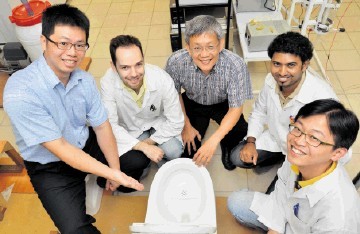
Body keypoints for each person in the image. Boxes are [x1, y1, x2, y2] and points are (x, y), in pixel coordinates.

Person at [3, 4, 143, 233]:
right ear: (44, 42)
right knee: (77, 230)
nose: (72, 52)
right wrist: (110, 172)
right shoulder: (20, 91)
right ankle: (96, 181)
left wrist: (115, 171)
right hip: (49, 166)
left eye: (79, 45)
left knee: (135, 162)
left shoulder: (84, 80)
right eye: (63, 43)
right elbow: (60, 147)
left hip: (83, 143)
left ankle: (101, 180)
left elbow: (102, 127)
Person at [229, 32, 342, 191]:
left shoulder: (323, 99)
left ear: (304, 65)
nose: (282, 72)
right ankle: (279, 157)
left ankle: (287, 164)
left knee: (276, 200)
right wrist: (250, 142)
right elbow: (259, 112)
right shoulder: (270, 80)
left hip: (303, 155)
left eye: (291, 65)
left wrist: (308, 167)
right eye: (276, 64)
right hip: (278, 139)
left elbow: (340, 147)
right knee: (237, 157)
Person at [227, 99, 360, 233]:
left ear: (337, 153)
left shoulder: (339, 217)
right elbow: (280, 195)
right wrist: (274, 229)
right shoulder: (298, 158)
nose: (298, 141)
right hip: (289, 217)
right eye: (298, 128)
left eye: (314, 138)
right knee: (236, 202)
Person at [165, 15, 252, 170]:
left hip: (223, 103)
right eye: (197, 48)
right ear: (188, 47)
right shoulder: (175, 62)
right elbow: (174, 95)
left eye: (210, 47)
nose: (204, 55)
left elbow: (235, 108)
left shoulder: (236, 65)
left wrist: (214, 141)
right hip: (193, 102)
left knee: (239, 132)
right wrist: (186, 125)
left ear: (221, 44)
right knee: (188, 149)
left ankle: (227, 143)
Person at [99, 35, 184, 179]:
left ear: (144, 59)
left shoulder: (161, 78)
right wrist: (144, 148)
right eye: (125, 67)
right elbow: (110, 126)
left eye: (138, 64)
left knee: (174, 152)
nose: (134, 74)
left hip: (158, 122)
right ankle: (148, 161)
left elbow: (176, 121)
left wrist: (149, 142)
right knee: (139, 165)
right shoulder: (107, 83)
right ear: (113, 66)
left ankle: (159, 158)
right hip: (132, 128)